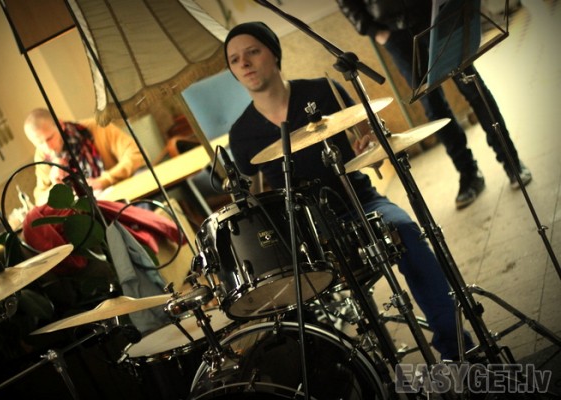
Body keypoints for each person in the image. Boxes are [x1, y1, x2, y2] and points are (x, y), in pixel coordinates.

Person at [224, 21, 474, 361]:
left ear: (274, 54)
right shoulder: (241, 133)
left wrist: (368, 144)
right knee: (282, 292)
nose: (244, 63)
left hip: (360, 202)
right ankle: (343, 371)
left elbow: (369, 138)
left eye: (252, 52)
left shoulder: (322, 90)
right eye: (235, 59)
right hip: (305, 232)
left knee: (406, 231)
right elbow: (250, 198)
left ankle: (456, 349)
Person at [336, 0, 532, 209]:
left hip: (434, 14)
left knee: (473, 88)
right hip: (393, 31)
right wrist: (375, 31)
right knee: (433, 106)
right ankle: (468, 173)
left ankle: (511, 160)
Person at [24, 108, 146, 205]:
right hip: (89, 210)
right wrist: (55, 186)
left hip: (120, 195)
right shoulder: (42, 155)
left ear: (60, 125)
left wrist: (104, 180)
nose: (48, 147)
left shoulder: (96, 127)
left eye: (50, 138)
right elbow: (39, 199)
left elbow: (136, 153)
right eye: (39, 143)